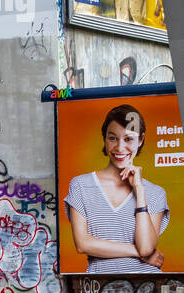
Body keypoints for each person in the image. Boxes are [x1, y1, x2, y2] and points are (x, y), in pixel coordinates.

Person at [65, 104, 169, 272]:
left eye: (128, 139)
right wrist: (136, 252)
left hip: (147, 287)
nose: (120, 148)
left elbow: (146, 247)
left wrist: (139, 191)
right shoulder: (80, 185)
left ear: (140, 140)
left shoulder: (155, 193)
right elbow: (82, 244)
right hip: (99, 287)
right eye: (112, 138)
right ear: (104, 139)